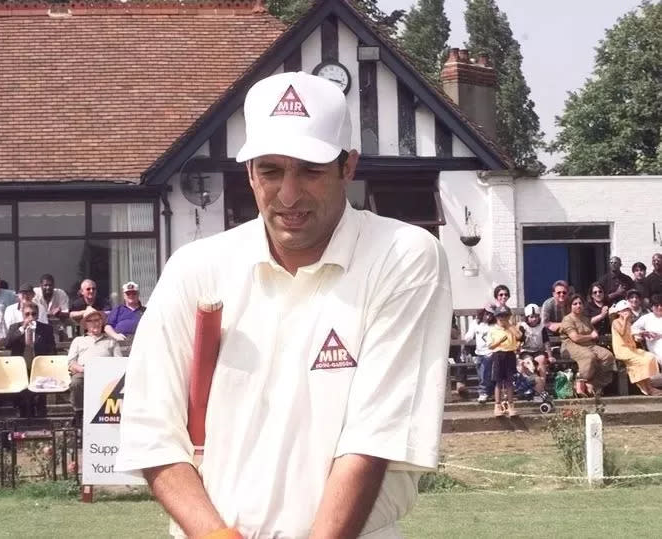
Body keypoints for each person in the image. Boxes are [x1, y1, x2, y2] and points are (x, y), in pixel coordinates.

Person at [118, 71, 452, 538]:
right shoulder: (195, 267)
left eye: (310, 170)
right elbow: (151, 434)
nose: (289, 195)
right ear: (249, 172)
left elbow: (374, 435)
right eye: (271, 170)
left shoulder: (401, 255)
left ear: (348, 167)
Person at [67, 307, 122, 420]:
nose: (95, 323)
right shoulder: (78, 341)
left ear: (101, 322)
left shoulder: (111, 341)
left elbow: (119, 362)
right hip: (84, 373)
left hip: (107, 374)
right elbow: (71, 363)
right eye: (90, 321)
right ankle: (79, 412)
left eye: (97, 320)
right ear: (85, 325)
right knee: (76, 382)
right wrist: (84, 370)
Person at [5, 301, 56, 417]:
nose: (31, 317)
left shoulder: (46, 329)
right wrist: (23, 328)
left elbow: (52, 348)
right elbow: (7, 344)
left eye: (34, 314)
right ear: (22, 315)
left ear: (38, 315)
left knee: (39, 394)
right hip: (20, 368)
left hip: (40, 367)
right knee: (21, 391)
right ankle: (21, 411)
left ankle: (40, 413)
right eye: (27, 314)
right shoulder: (15, 327)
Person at [560, 294, 615, 396]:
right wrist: (591, 336)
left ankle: (592, 383)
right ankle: (579, 384)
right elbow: (575, 338)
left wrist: (593, 335)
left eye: (580, 303)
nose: (578, 306)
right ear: (570, 306)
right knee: (589, 356)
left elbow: (594, 333)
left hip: (588, 345)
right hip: (571, 345)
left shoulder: (585, 319)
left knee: (608, 356)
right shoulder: (567, 319)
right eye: (575, 304)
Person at [610, 300, 662, 396]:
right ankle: (648, 388)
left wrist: (642, 334)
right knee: (642, 361)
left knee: (650, 357)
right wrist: (625, 320)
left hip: (632, 349)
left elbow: (633, 336)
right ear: (619, 312)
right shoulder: (615, 322)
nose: (626, 312)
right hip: (622, 350)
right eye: (624, 310)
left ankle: (648, 385)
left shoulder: (629, 323)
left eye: (628, 310)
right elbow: (621, 332)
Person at [488, 306, 520, 417]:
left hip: (510, 354)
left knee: (509, 381)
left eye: (506, 316)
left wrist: (510, 326)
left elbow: (519, 336)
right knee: (498, 381)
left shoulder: (511, 328)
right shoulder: (493, 330)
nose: (503, 319)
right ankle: (497, 405)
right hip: (498, 355)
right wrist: (499, 341)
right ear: (496, 317)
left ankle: (510, 404)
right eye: (500, 316)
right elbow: (490, 346)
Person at [518, 304, 552, 397]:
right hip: (526, 350)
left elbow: (546, 342)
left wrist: (550, 355)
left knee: (541, 360)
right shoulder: (523, 327)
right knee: (528, 362)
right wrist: (516, 353)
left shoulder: (541, 327)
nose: (534, 319)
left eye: (536, 316)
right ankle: (530, 386)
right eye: (531, 317)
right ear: (527, 317)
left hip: (538, 350)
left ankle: (542, 387)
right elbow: (518, 341)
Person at [463, 306, 495, 403]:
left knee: (485, 371)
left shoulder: (493, 325)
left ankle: (483, 392)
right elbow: (469, 335)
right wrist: (466, 340)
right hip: (478, 352)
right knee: (481, 372)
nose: (488, 316)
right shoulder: (475, 323)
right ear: (482, 313)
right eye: (487, 314)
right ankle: (489, 392)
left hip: (490, 352)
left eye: (490, 314)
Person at [105, 281, 146, 351]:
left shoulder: (145, 311)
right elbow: (107, 327)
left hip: (141, 345)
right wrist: (115, 335)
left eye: (134, 293)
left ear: (138, 295)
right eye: (128, 294)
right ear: (124, 296)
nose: (131, 296)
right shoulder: (118, 310)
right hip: (121, 345)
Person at [632, 294, 662, 365]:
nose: (660, 307)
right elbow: (632, 328)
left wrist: (660, 335)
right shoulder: (646, 318)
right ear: (651, 307)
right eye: (656, 305)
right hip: (656, 346)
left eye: (661, 305)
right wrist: (643, 333)